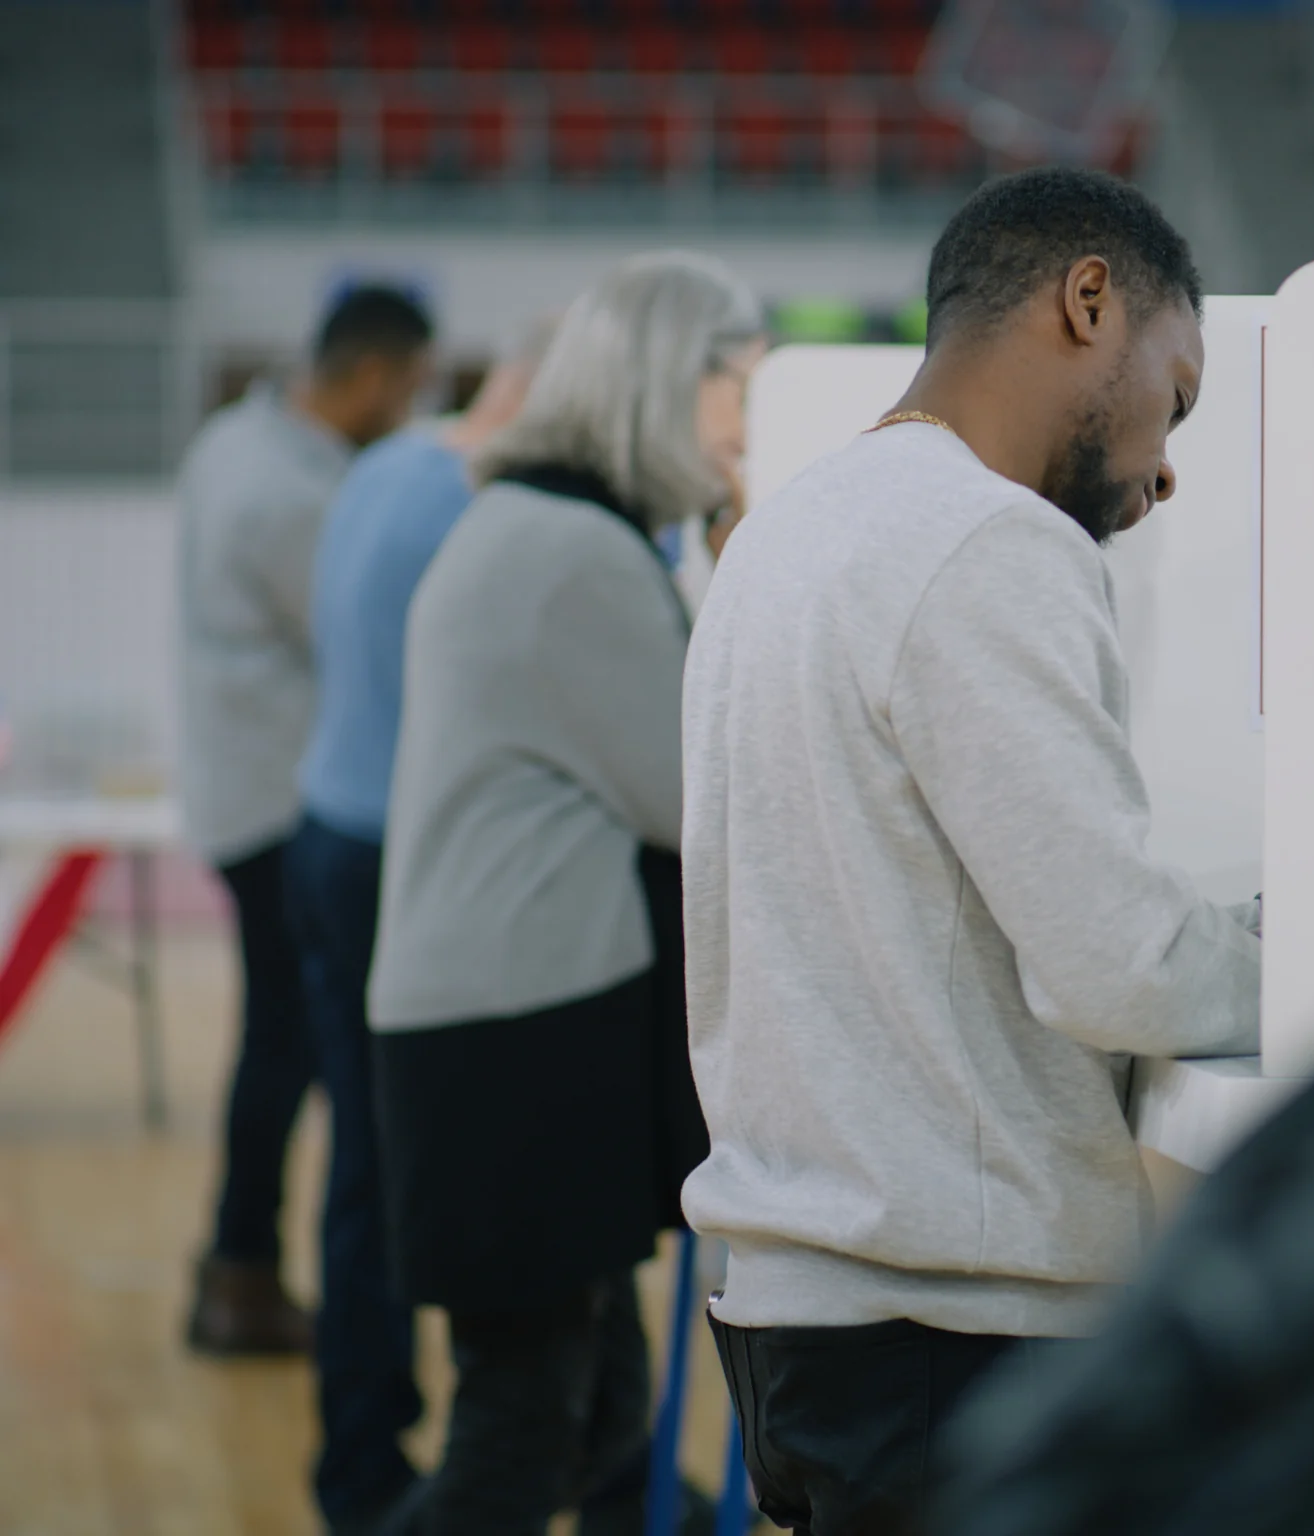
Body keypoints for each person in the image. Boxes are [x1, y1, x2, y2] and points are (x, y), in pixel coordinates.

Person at [680, 166, 1261, 1535]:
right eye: (1173, 394)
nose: (1168, 460)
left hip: (808, 1307)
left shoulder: (789, 532)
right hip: (947, 1328)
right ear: (1088, 300)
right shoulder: (987, 537)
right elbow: (1117, 964)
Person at [366, 253, 763, 1535]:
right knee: (519, 1436)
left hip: (501, 1020)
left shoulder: (537, 527)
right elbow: (696, 796)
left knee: (582, 1414)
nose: (746, 431)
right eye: (735, 397)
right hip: (516, 1034)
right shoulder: (569, 556)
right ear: (662, 384)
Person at [285, 320, 553, 1536]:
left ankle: (357, 1457)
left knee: (363, 1167)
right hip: (402, 857)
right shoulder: (481, 505)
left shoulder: (386, 465)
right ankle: (383, 1472)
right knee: (404, 1178)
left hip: (330, 830)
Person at [176, 285, 432, 1358]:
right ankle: (243, 1272)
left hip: (245, 789)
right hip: (286, 802)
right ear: (371, 373)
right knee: (291, 1050)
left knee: (277, 1044)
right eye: (413, 389)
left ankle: (239, 1266)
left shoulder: (232, 441)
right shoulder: (290, 501)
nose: (413, 412)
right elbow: (366, 637)